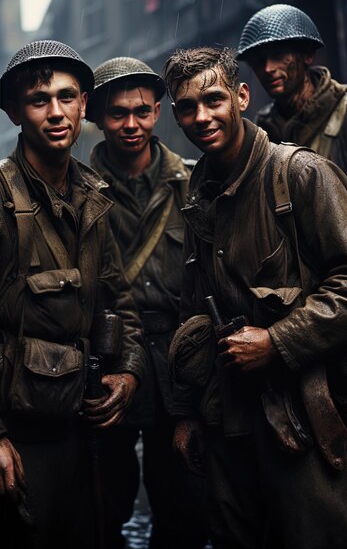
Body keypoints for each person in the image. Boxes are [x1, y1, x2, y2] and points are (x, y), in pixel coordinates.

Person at [163, 45, 347, 549]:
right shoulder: (199, 194)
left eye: (214, 99)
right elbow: (192, 310)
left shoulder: (301, 174)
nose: (201, 116)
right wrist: (186, 413)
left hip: (305, 417)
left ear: (241, 97)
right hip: (228, 422)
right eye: (186, 107)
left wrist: (277, 341)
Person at [0, 40, 145, 549]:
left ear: (85, 104)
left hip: (84, 430)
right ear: (15, 111)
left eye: (67, 97)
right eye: (40, 99)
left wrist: (127, 371)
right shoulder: (1, 197)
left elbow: (118, 301)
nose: (56, 112)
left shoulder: (91, 196)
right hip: (22, 435)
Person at [85, 56, 210, 549]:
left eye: (141, 111)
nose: (130, 124)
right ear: (96, 117)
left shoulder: (195, 184)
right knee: (102, 505)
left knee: (184, 506)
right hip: (107, 364)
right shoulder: (77, 193)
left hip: (182, 364)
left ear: (158, 111)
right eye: (117, 113)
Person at [237, 3, 347, 177]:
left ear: (307, 55)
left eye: (278, 56)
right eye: (259, 61)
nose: (268, 68)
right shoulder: (263, 130)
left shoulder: (346, 116)